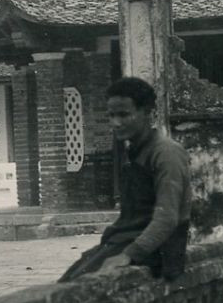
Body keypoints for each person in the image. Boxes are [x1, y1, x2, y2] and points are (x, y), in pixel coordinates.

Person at [59, 76, 192, 283]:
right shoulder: (133, 151)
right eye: (111, 116)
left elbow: (167, 218)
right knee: (68, 282)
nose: (115, 123)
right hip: (123, 241)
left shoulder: (166, 153)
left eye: (123, 115)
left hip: (155, 251)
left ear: (147, 112)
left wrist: (128, 255)